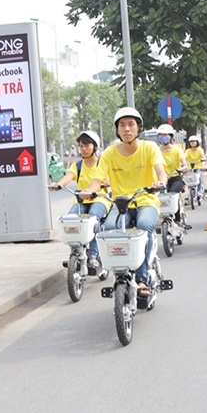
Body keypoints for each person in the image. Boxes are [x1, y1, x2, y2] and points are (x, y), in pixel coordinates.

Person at [80, 108, 166, 299]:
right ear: (117, 130)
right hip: (121, 205)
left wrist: (160, 183)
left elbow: (161, 171)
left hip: (146, 200)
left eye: (131, 124)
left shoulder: (149, 148)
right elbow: (97, 179)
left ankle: (142, 277)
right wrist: (89, 190)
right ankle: (120, 271)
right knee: (109, 227)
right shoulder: (110, 153)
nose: (126, 129)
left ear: (138, 128)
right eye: (122, 125)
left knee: (144, 225)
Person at [49, 131, 107, 272]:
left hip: (100, 199)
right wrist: (58, 184)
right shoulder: (78, 166)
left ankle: (93, 254)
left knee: (93, 217)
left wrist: (106, 184)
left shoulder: (102, 164)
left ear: (95, 146)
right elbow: (68, 176)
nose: (84, 149)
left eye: (87, 145)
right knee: (70, 219)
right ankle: (76, 251)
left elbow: (108, 179)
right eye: (81, 146)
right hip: (80, 201)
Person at [156, 124, 188, 193]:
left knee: (173, 192)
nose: (162, 137)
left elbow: (183, 162)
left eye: (165, 135)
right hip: (161, 180)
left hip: (175, 178)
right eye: (160, 135)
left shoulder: (177, 150)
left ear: (171, 136)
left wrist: (184, 167)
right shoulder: (156, 151)